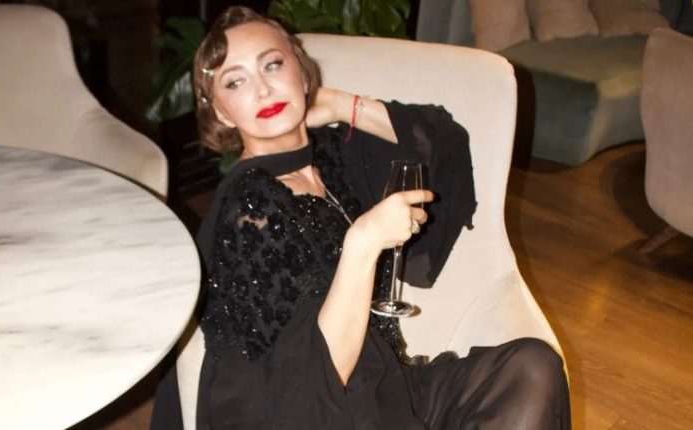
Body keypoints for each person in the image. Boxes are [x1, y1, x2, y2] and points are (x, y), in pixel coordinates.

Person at [188, 6, 571, 429]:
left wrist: (341, 105)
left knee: (532, 367)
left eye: (273, 64)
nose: (262, 89)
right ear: (221, 112)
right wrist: (364, 241)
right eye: (236, 81)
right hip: (331, 408)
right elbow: (311, 385)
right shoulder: (250, 209)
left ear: (301, 69)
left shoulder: (329, 156)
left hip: (386, 379)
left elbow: (443, 143)